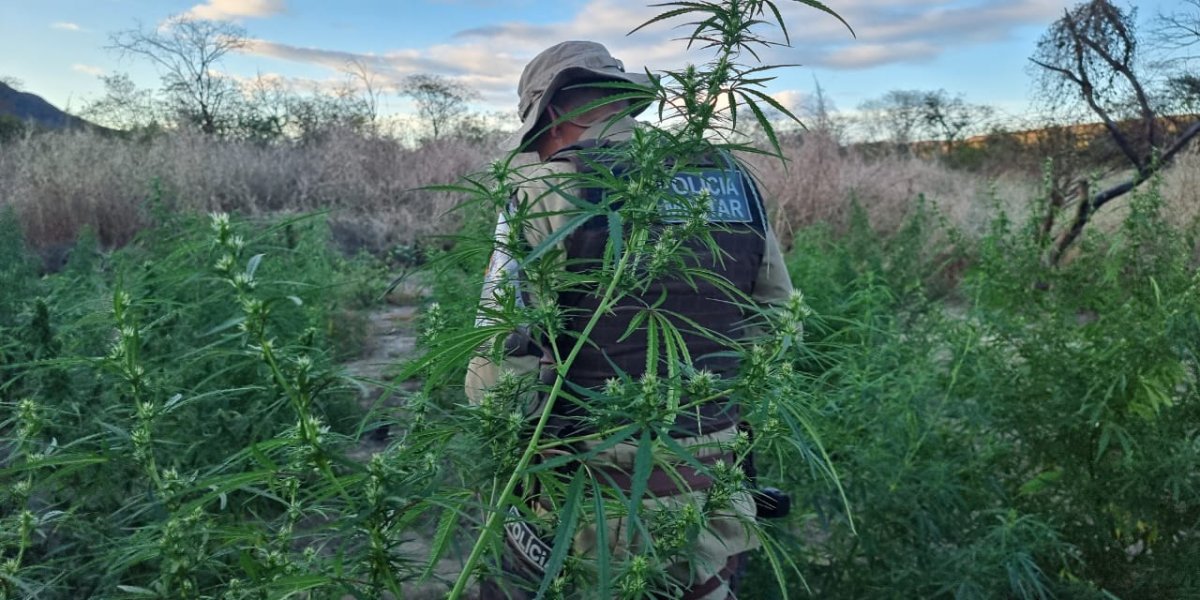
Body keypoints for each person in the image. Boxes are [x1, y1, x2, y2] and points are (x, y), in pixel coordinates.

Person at [466, 40, 794, 599]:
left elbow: (502, 361)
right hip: (713, 488)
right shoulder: (730, 180)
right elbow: (775, 325)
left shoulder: (538, 186)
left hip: (586, 498)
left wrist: (502, 442)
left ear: (551, 115)